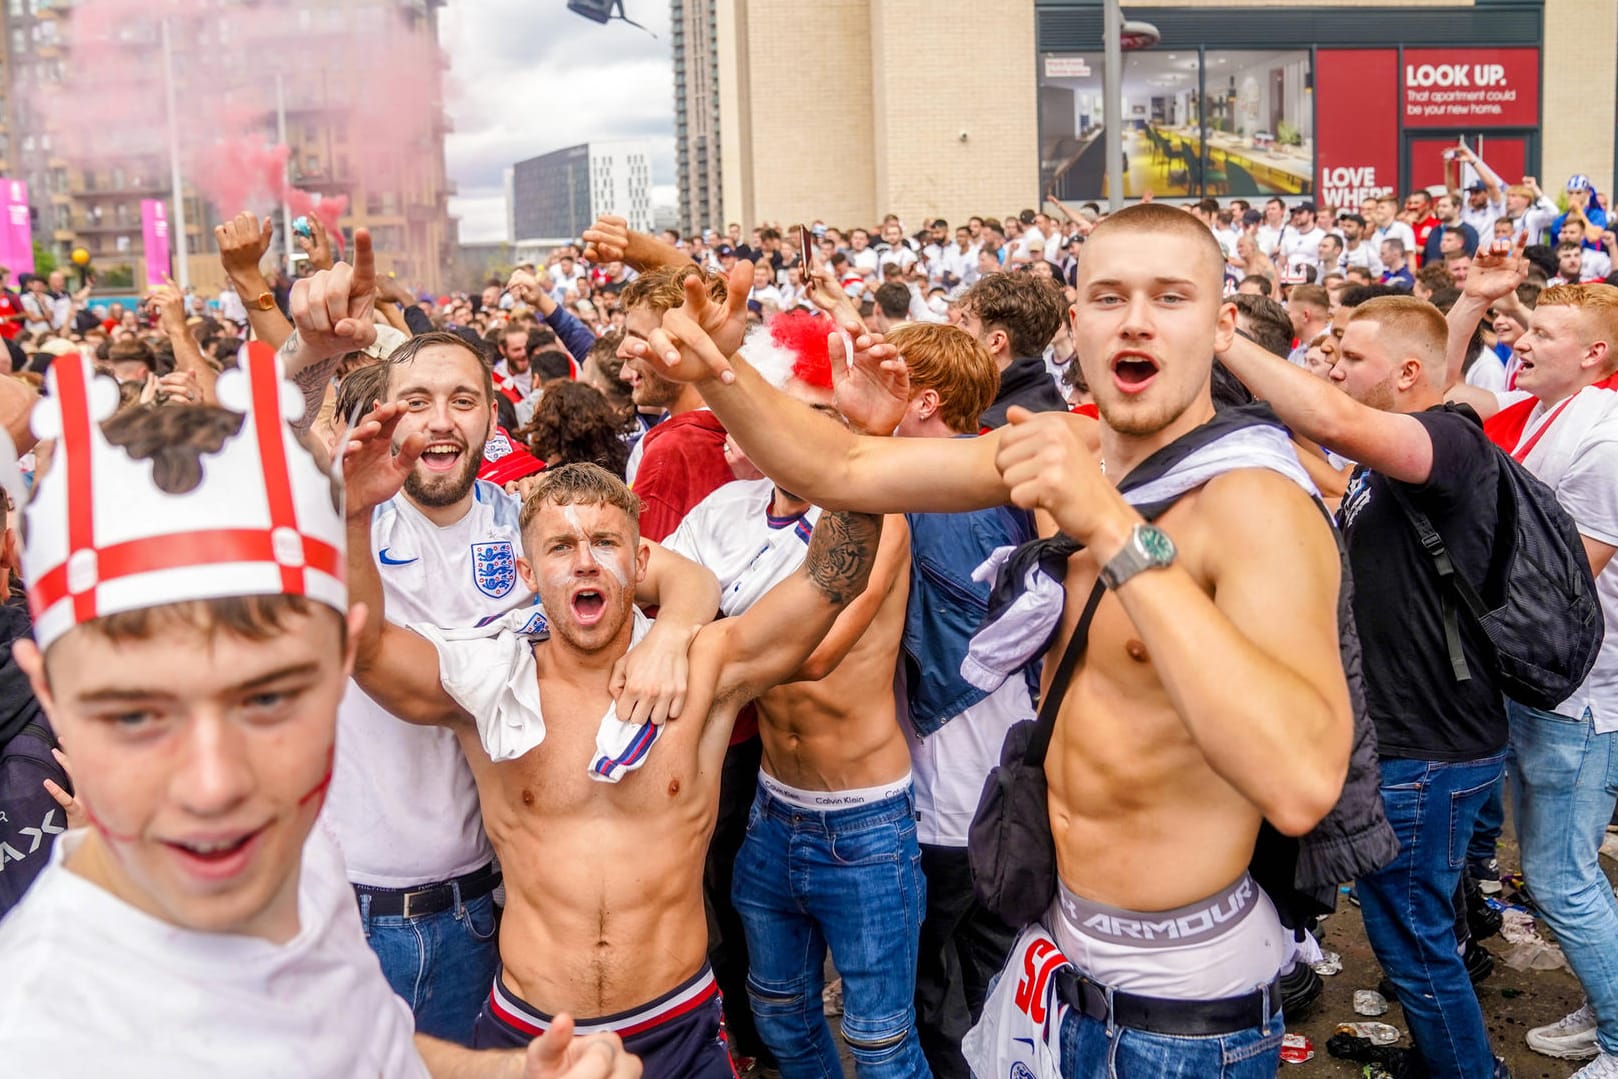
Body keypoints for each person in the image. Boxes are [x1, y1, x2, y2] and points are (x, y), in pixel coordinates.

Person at [627, 203, 1354, 1078]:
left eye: (1170, 297)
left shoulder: (1257, 504)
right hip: (1057, 967)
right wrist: (721, 368)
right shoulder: (1072, 444)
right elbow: (843, 471)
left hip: (1179, 1013)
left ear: (1222, 323)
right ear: (1074, 321)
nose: (1135, 319)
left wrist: (1120, 539)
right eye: (1110, 296)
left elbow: (1303, 783)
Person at [0, 343, 639, 1079]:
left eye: (267, 699)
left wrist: (508, 1073)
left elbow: (363, 1044)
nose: (215, 786)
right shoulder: (43, 1036)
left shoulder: (296, 866)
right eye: (138, 716)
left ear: (340, 667)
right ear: (50, 693)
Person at [343, 425, 885, 1076]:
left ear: (641, 558)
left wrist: (864, 441)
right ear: (525, 571)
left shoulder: (704, 670)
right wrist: (353, 511)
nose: (585, 562)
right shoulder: (485, 680)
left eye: (605, 541)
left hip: (677, 1022)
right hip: (532, 1031)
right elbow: (367, 646)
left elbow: (829, 582)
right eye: (560, 545)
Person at [281, 246, 715, 1048]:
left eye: (464, 400)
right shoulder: (334, 517)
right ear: (390, 411)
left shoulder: (530, 522)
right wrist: (312, 352)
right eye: (418, 400)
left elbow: (682, 576)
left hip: (482, 911)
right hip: (349, 900)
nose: (441, 419)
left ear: (493, 413)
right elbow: (275, 435)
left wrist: (676, 637)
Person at [1219, 297, 1513, 1079]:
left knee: (1413, 946)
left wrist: (1222, 341)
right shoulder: (1394, 462)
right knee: (1416, 932)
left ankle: (1467, 1070)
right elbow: (1341, 455)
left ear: (1410, 376)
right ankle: (1446, 1055)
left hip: (1427, 753)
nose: (1332, 368)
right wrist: (1470, 302)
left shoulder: (1447, 442)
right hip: (1424, 743)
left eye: (1348, 358)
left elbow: (1343, 424)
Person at [664, 321, 922, 1078]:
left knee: (879, 1041)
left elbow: (816, 651)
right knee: (775, 1009)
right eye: (787, 409)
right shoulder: (734, 512)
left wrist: (697, 635)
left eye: (821, 413)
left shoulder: (880, 514)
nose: (802, 428)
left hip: (863, 817)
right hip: (775, 807)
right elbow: (662, 586)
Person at [1448, 265, 1618, 1077]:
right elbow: (1440, 391)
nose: (1522, 337)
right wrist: (1477, 302)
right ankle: (1608, 1003)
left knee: (1559, 878)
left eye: (1543, 333)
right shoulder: (1553, 409)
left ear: (1594, 353)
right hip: (1539, 685)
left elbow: (1562, 580)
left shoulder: (1604, 436)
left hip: (1580, 695)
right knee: (1564, 871)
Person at [956, 272, 1068, 428]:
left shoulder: (991, 428)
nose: (956, 328)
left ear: (996, 341)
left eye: (965, 322)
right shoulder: (1045, 394)